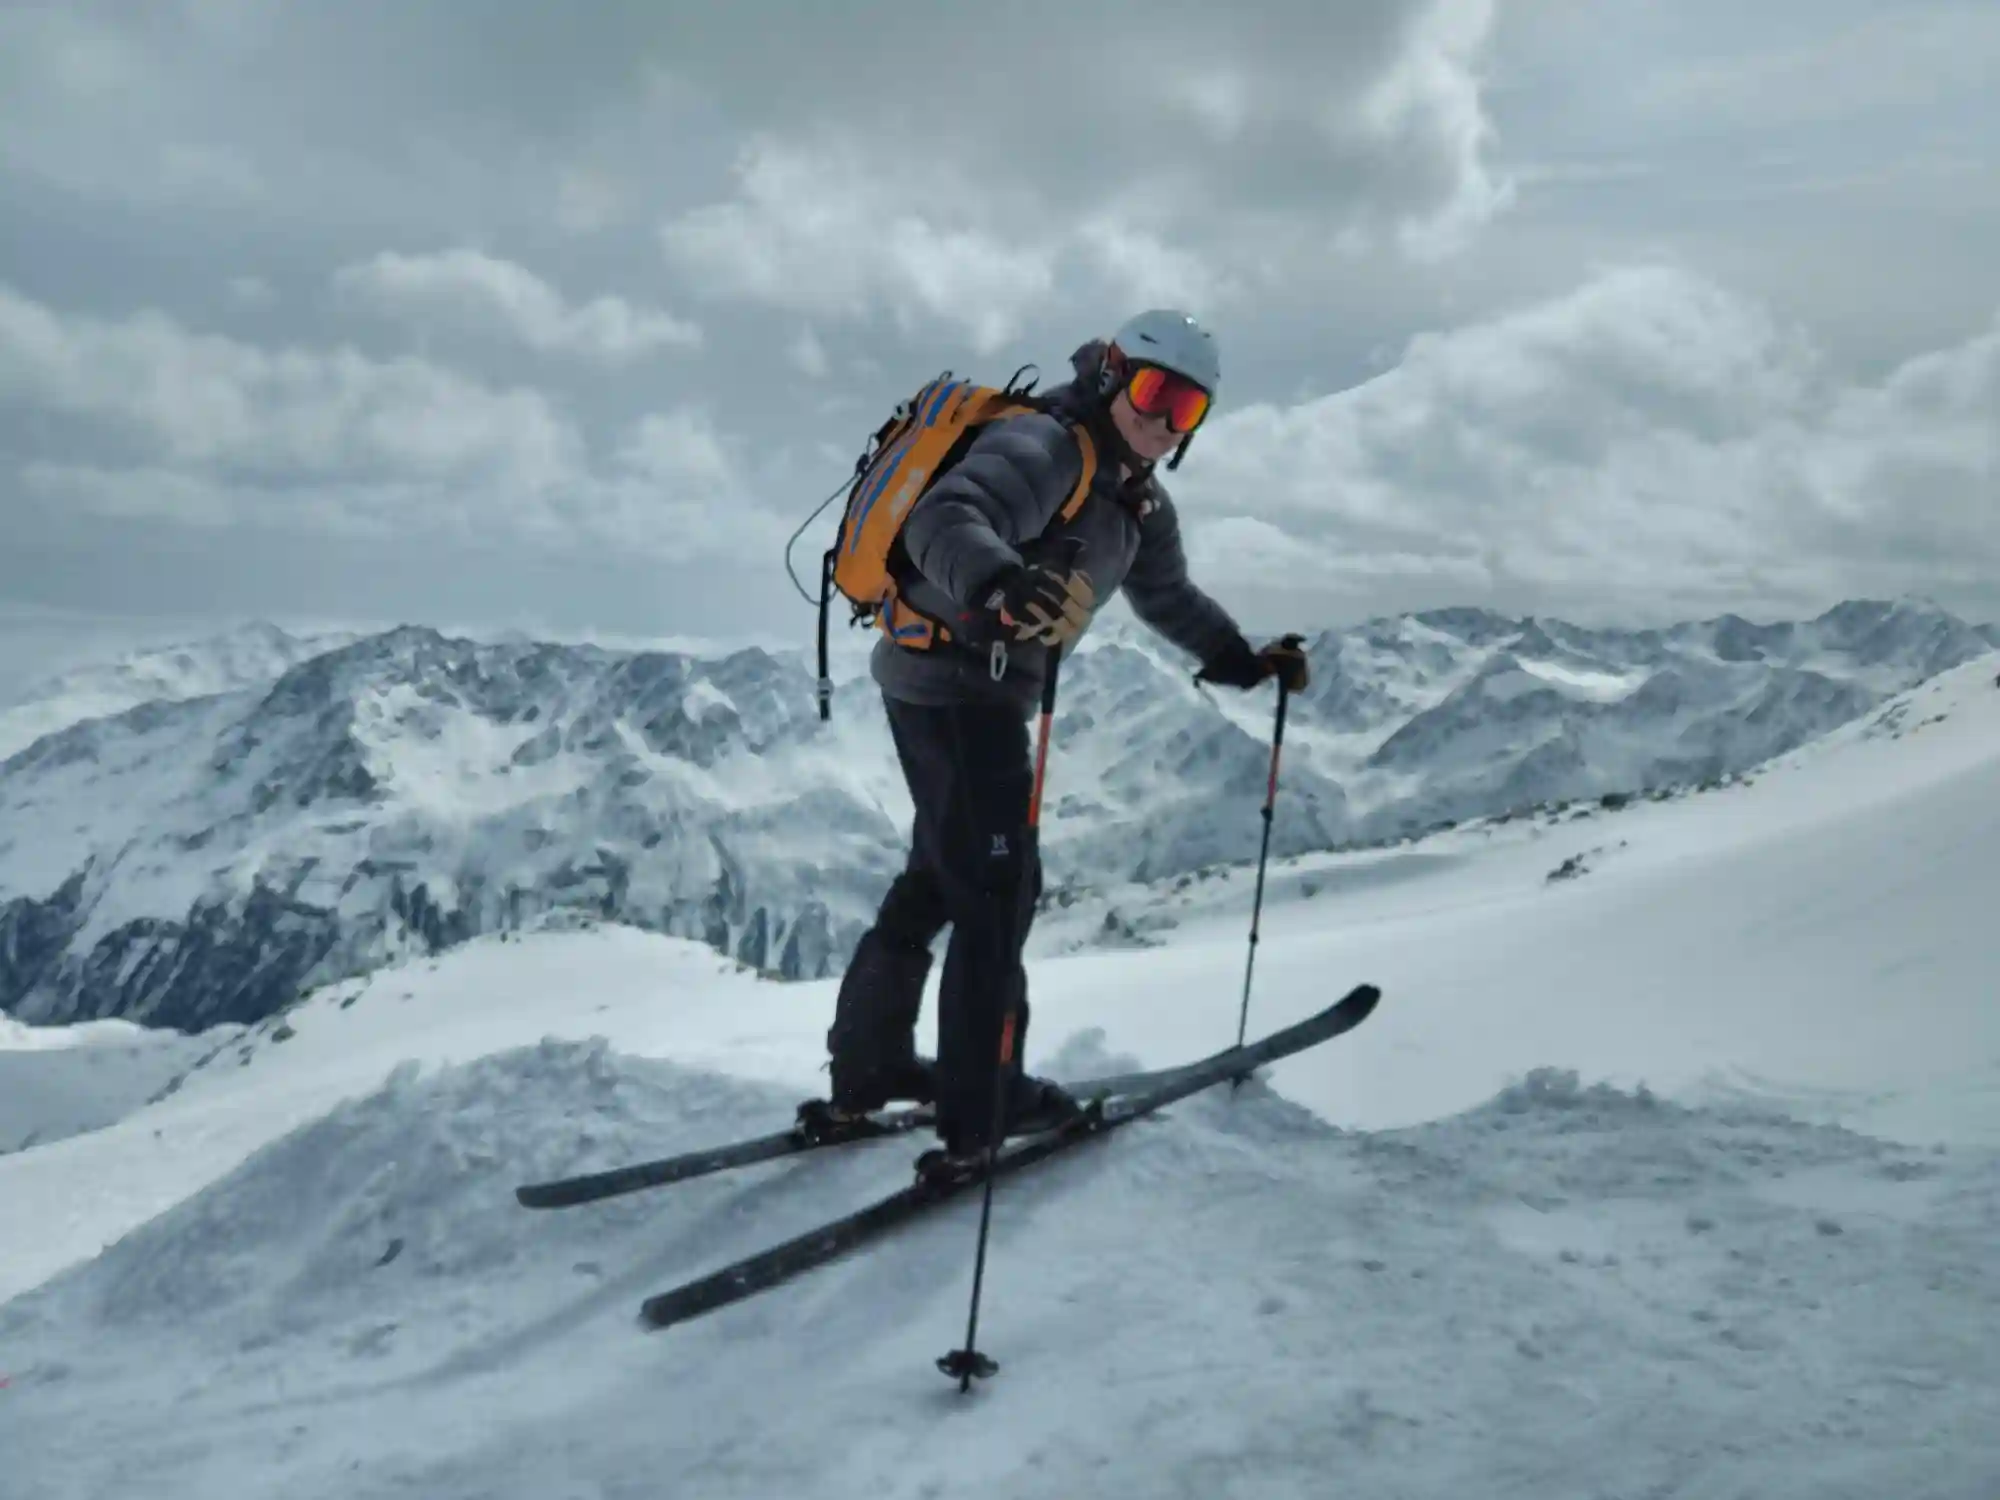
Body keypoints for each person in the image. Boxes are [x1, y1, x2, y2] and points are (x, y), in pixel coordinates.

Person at [824, 309, 1311, 1165]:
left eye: (1188, 410)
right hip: (959, 690)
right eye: (1156, 393)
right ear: (1114, 372)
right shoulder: (1049, 447)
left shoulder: (1135, 501)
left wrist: (1243, 660)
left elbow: (1168, 600)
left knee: (941, 878)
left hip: (952, 685)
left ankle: (870, 1069)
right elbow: (944, 520)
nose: (1163, 422)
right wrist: (1003, 584)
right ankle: (985, 1109)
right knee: (998, 893)